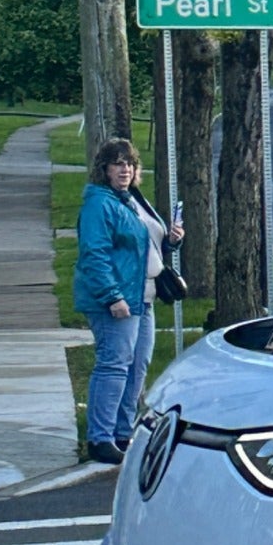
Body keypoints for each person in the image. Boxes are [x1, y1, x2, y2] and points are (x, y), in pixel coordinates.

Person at [73, 138, 183, 466]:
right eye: (117, 163)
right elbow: (94, 254)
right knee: (114, 365)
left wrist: (171, 241)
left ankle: (123, 432)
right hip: (117, 300)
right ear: (104, 169)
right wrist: (112, 297)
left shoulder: (130, 199)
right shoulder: (99, 204)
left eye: (130, 164)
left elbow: (144, 243)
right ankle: (100, 437)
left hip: (142, 295)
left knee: (137, 367)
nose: (125, 169)